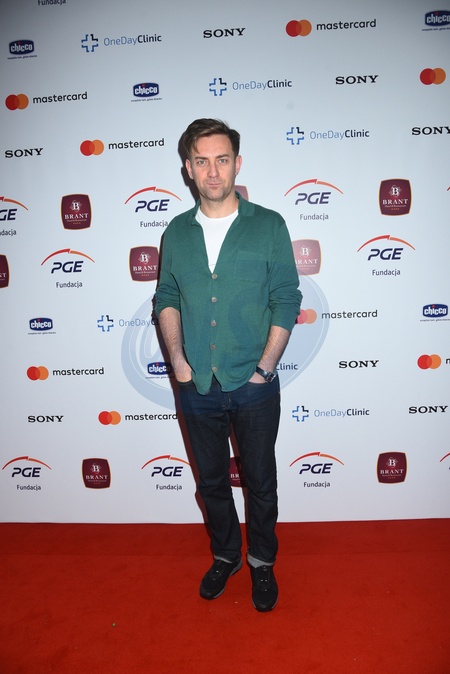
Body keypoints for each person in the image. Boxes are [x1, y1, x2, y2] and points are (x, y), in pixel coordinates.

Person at [155, 118, 302, 612]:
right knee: (211, 481)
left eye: (222, 159)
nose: (213, 171)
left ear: (238, 163)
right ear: (188, 169)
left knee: (260, 481)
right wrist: (178, 362)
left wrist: (264, 369)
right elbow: (166, 296)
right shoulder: (176, 232)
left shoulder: (268, 225)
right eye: (202, 161)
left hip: (254, 384)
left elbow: (286, 299)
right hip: (196, 383)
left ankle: (261, 560)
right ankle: (225, 555)